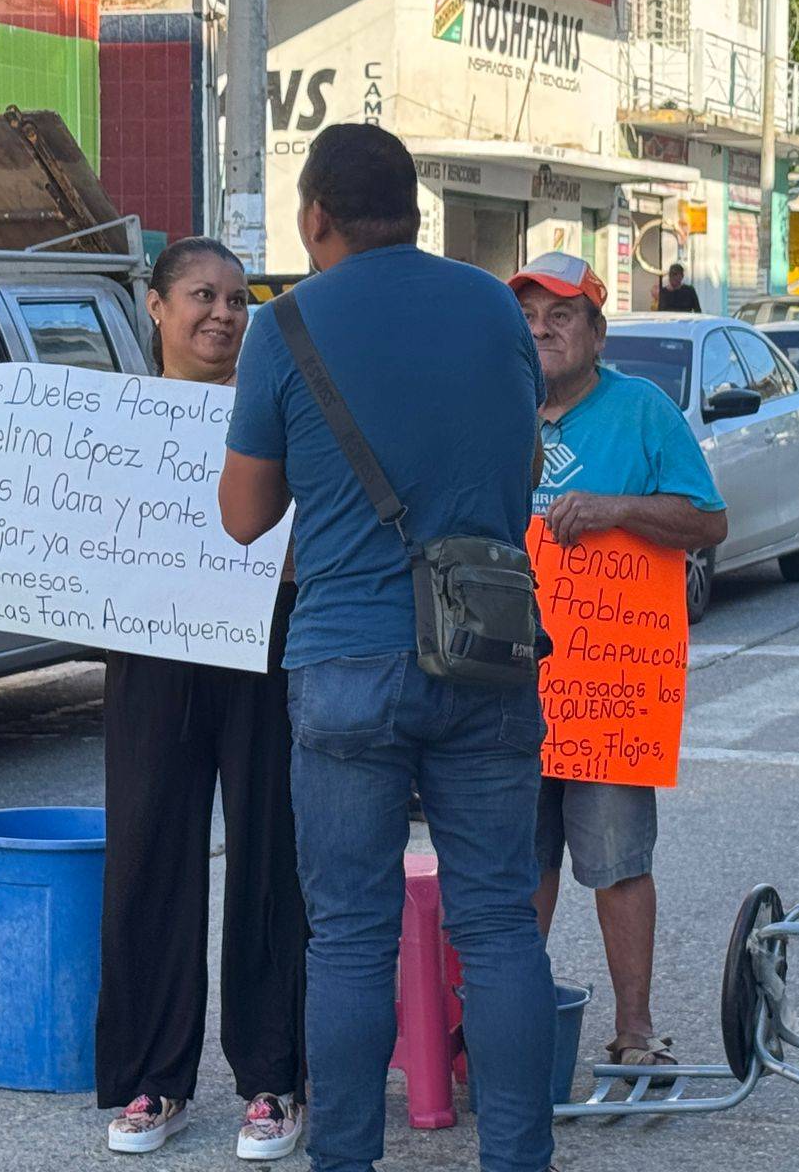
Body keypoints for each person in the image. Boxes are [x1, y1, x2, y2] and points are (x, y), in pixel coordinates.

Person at [218, 124, 557, 1172]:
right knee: (499, 925)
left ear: (315, 217)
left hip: (346, 661)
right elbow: (524, 462)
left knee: (352, 939)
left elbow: (242, 516)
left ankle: (347, 1160)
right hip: (485, 654)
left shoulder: (287, 328)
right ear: (414, 210)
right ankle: (517, 1159)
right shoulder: (492, 307)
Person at [0, 237, 308, 1162]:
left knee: (271, 859)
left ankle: (273, 1083)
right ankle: (152, 1081)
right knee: (147, 858)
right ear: (154, 305)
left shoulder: (280, 411)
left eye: (236, 299)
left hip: (266, 651)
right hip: (149, 663)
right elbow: (37, 509)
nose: (222, 314)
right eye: (201, 295)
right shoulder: (94, 417)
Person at [509, 251, 726, 1074]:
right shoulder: (498, 408)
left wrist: (617, 510)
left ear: (597, 331)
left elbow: (708, 522)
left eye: (561, 315)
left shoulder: (641, 412)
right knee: (514, 871)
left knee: (617, 865)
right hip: (506, 687)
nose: (541, 330)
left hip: (606, 691)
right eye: (527, 316)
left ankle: (635, 1030)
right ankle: (510, 1027)